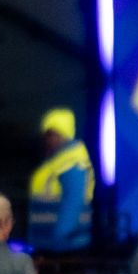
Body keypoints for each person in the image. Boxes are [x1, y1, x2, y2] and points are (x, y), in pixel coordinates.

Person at [28, 108, 95, 253]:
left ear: (62, 135)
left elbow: (73, 203)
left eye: (51, 134)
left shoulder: (71, 162)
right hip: (52, 245)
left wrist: (58, 239)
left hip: (65, 247)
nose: (46, 140)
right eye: (46, 135)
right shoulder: (58, 161)